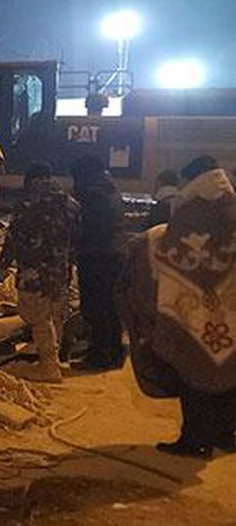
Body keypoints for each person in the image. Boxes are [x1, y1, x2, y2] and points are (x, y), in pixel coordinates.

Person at [119, 156, 236, 458]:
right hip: (229, 306)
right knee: (227, 369)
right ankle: (225, 434)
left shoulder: (192, 210)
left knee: (193, 367)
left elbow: (175, 254)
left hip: (195, 307)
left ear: (193, 178)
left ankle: (195, 440)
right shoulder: (230, 205)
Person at [0, 162, 81, 382]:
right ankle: (56, 357)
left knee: (38, 318)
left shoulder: (26, 204)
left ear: (30, 180)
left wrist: (1, 268)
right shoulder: (71, 205)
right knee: (56, 313)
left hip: (33, 272)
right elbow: (77, 241)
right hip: (60, 271)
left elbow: (12, 240)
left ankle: (48, 368)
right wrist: (70, 267)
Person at [71, 153, 129, 370]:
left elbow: (85, 228)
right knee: (110, 307)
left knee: (96, 307)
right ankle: (113, 352)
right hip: (113, 255)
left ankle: (101, 355)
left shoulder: (94, 194)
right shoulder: (109, 188)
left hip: (98, 257)